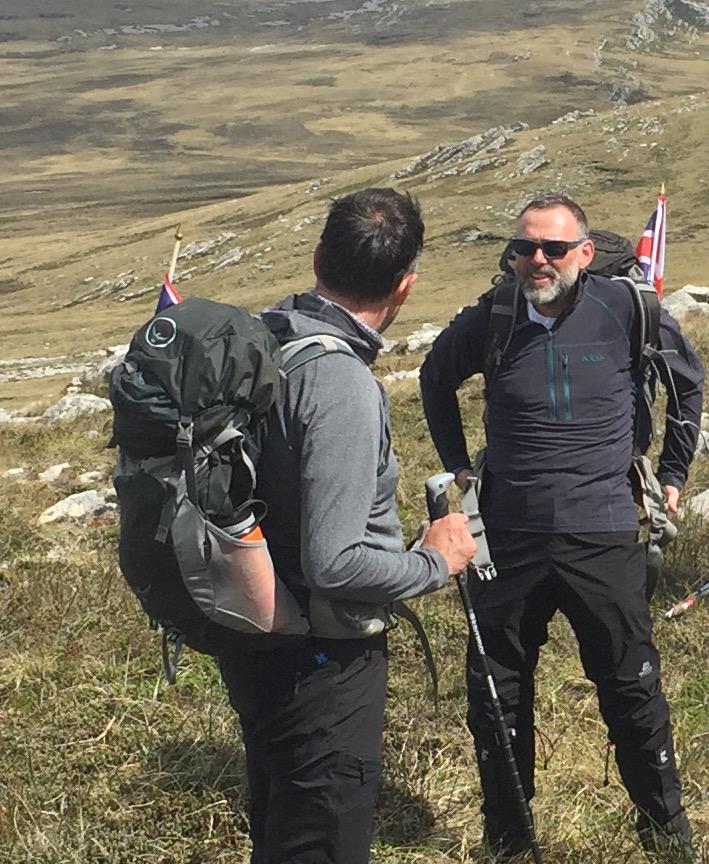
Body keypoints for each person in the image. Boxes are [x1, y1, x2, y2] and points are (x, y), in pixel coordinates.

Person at [419, 194, 704, 861]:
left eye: (553, 248)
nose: (537, 260)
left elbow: (687, 383)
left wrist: (671, 472)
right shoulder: (493, 314)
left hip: (602, 531)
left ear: (584, 252)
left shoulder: (627, 308)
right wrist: (458, 467)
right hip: (506, 535)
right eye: (524, 248)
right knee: (497, 696)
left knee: (632, 690)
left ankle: (666, 838)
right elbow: (434, 377)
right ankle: (509, 841)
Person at [218, 187, 477, 864]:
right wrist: (435, 562)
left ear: (317, 259)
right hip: (322, 662)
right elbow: (335, 561)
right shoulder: (339, 382)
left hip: (256, 630)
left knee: (281, 825)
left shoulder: (271, 338)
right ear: (405, 286)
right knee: (320, 837)